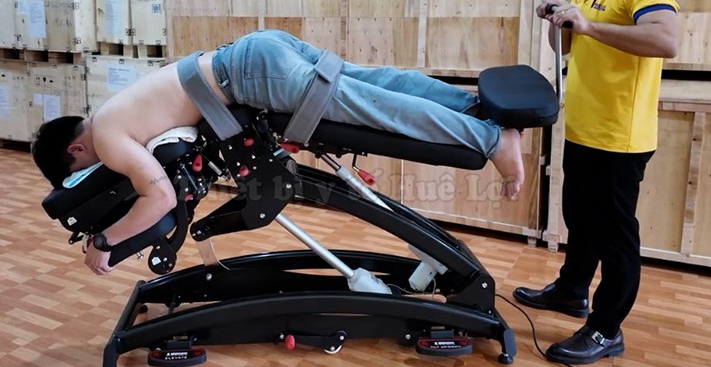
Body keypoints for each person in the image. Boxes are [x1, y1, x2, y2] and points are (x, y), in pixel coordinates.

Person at [31, 29, 524, 275]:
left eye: (78, 171)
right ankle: (474, 108)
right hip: (256, 49)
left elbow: (157, 197)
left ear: (76, 148)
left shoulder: (108, 139)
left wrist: (105, 242)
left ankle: (493, 140)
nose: (92, 172)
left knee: (377, 108)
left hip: (251, 75)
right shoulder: (114, 108)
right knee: (378, 84)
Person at [513, 0, 679, 365]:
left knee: (614, 237)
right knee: (580, 221)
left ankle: (607, 329)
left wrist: (587, 24)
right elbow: (567, 48)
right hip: (584, 130)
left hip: (619, 139)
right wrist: (559, 21)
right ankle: (571, 291)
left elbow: (666, 41)